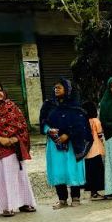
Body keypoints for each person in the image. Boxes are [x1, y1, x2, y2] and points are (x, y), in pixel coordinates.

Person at [0, 82, 37, 217]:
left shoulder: (10, 105)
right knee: (0, 178)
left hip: (13, 148)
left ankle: (23, 202)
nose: (0, 93)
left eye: (1, 90)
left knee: (17, 176)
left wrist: (16, 139)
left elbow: (22, 125)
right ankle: (6, 206)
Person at [39, 77, 91, 209]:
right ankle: (62, 200)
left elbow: (81, 125)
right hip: (54, 143)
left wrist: (67, 134)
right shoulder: (49, 105)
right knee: (58, 170)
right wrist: (49, 130)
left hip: (72, 144)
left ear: (68, 90)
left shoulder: (75, 107)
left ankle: (75, 197)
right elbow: (43, 121)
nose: (56, 89)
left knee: (72, 169)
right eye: (55, 87)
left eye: (59, 87)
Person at [82, 101, 105, 199]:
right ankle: (95, 193)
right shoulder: (96, 121)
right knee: (97, 171)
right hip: (96, 149)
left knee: (90, 172)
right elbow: (100, 134)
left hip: (87, 151)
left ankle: (92, 192)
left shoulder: (83, 121)